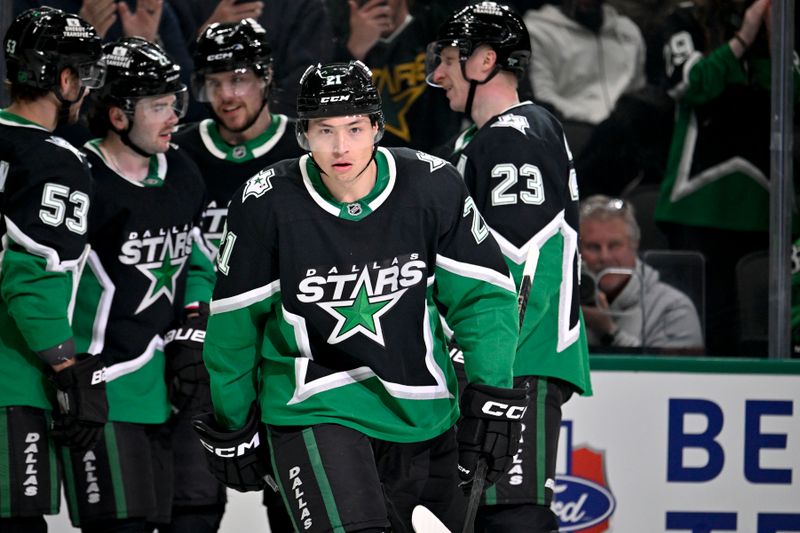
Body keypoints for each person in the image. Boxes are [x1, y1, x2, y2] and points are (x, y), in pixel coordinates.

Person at [192, 59, 528, 533]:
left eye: (353, 128)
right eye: (324, 131)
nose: (341, 146)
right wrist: (234, 419)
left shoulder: (433, 186)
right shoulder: (266, 202)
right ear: (304, 134)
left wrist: (490, 391)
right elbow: (234, 326)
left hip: (424, 411)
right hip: (315, 407)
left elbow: (484, 299)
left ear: (376, 127)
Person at [427, 3, 592, 531]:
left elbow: (515, 267)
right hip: (508, 360)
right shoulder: (494, 137)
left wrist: (475, 361)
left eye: (449, 59)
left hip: (515, 362)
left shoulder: (511, 136)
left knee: (511, 516)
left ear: (485, 61)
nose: (437, 74)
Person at [60, 37, 216, 532]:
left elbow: (199, 262)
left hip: (163, 389)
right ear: (118, 115)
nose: (174, 117)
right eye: (158, 106)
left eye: (175, 103)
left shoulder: (181, 170)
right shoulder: (77, 177)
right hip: (100, 393)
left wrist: (194, 319)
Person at [173, 18, 303, 531]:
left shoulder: (306, 146)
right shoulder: (177, 149)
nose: (227, 95)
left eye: (240, 78)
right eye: (214, 81)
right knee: (192, 507)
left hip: (286, 356)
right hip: (200, 357)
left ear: (267, 76)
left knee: (295, 507)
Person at [0, 8, 108, 533]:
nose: (86, 90)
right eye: (83, 76)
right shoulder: (53, 160)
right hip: (10, 384)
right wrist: (67, 368)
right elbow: (32, 279)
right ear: (63, 80)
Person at [652, 0, 798, 356]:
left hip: (765, 205)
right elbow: (690, 85)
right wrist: (743, 37)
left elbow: (791, 92)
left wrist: (773, 38)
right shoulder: (683, 20)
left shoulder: (779, 28)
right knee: (703, 326)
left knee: (762, 328)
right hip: (697, 202)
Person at [326, 0, 465, 153]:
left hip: (436, 158)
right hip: (364, 164)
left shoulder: (435, 26)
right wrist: (353, 50)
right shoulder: (332, 34)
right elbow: (322, 113)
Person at [579, 195, 704, 351]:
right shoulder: (561, 303)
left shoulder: (673, 308)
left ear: (634, 245)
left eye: (614, 246)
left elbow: (671, 373)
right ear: (578, 251)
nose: (605, 257)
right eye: (593, 247)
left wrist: (609, 331)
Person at [169, 0, 335, 117]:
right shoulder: (181, 5)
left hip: (281, 125)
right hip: (205, 123)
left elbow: (309, 80)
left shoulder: (304, 6)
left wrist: (263, 123)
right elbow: (176, 88)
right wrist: (208, 36)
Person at [524, 0, 646, 157]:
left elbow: (637, 87)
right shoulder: (536, 31)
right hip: (572, 125)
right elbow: (543, 96)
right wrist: (600, 118)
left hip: (626, 127)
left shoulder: (627, 30)